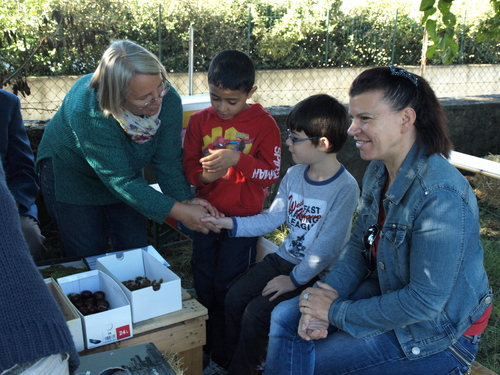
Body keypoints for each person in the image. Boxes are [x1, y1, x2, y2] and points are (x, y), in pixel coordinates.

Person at [265, 66, 493, 375]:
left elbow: (424, 304)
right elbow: (360, 244)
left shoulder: (441, 195)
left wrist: (334, 311)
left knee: (312, 362)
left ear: (405, 119)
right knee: (285, 317)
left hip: (440, 335)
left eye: (365, 118)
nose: (351, 129)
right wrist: (327, 292)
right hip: (390, 291)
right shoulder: (379, 169)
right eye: (353, 117)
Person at [202, 94, 360, 375]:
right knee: (235, 297)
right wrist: (229, 224)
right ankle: (226, 360)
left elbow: (327, 247)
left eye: (295, 137)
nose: (287, 143)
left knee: (257, 313)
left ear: (322, 143)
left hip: (314, 273)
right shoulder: (295, 174)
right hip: (283, 261)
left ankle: (245, 368)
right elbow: (272, 219)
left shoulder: (345, 188)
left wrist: (293, 280)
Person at [36, 40, 220, 258]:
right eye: (144, 98)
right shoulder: (89, 111)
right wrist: (179, 211)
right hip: (72, 174)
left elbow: (167, 161)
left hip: (127, 174)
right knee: (86, 252)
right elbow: (120, 181)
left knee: (133, 245)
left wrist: (184, 200)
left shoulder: (166, 99)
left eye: (159, 86)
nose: (158, 100)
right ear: (116, 97)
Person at [182, 49, 282, 370]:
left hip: (242, 222)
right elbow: (188, 169)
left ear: (250, 93)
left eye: (232, 101)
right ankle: (208, 345)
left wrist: (239, 159)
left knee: (229, 284)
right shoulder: (199, 122)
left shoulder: (265, 126)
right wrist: (205, 175)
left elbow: (271, 172)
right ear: (208, 86)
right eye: (215, 98)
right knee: (203, 277)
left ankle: (226, 352)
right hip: (206, 218)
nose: (222, 108)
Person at [0, 162, 80, 375]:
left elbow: (23, 167)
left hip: (30, 341)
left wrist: (17, 200)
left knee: (29, 235)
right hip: (38, 344)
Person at [0, 89, 46, 261]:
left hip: (7, 200)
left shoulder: (6, 102)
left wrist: (12, 203)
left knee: (29, 236)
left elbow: (24, 167)